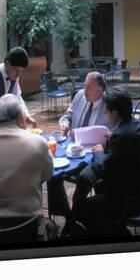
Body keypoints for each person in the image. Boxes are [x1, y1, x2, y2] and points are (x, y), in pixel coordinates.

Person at [0, 94, 55, 240]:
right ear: (21, 118)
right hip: (26, 225)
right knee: (52, 227)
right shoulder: (38, 143)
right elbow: (48, 175)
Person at [70, 88, 140, 238]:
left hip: (125, 197)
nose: (106, 116)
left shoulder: (120, 135)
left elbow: (102, 168)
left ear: (114, 113)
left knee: (80, 207)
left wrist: (99, 151)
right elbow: (129, 144)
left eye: (107, 112)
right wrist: (114, 137)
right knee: (87, 181)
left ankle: (110, 233)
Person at [47, 72, 110, 219]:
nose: (84, 90)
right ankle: (62, 211)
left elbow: (113, 132)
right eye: (84, 86)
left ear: (99, 90)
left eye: (88, 87)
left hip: (94, 154)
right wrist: (64, 124)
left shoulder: (109, 105)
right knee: (52, 170)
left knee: (83, 179)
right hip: (73, 149)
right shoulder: (80, 96)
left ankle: (76, 214)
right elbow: (67, 116)